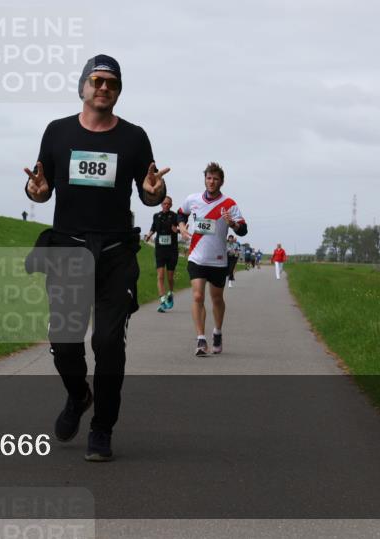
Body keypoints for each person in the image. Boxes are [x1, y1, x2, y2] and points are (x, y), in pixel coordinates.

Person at [23, 54, 168, 462]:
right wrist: (34, 191)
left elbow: (148, 192)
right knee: (64, 343)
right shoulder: (57, 132)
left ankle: (102, 428)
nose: (103, 88)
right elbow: (42, 188)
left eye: (112, 83)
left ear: (118, 92)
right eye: (97, 80)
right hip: (68, 248)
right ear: (83, 86)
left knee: (108, 344)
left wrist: (155, 193)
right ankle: (77, 395)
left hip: (115, 251)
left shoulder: (134, 138)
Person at [177, 162, 248, 356]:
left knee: (216, 299)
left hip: (217, 260)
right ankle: (201, 339)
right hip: (196, 257)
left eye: (215, 179)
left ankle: (217, 332)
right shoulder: (192, 199)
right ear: (205, 179)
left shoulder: (229, 204)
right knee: (198, 296)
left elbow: (243, 229)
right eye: (209, 178)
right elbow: (180, 213)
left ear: (221, 182)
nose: (211, 181)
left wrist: (232, 224)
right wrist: (182, 227)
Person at [143, 196, 180, 311]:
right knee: (160, 276)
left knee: (169, 277)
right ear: (161, 204)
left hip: (172, 250)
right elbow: (153, 228)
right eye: (164, 204)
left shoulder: (175, 216)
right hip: (160, 250)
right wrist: (149, 235)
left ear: (171, 205)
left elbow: (180, 228)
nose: (166, 206)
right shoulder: (156, 216)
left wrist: (177, 230)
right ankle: (163, 300)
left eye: (168, 204)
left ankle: (170, 293)